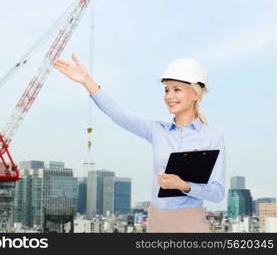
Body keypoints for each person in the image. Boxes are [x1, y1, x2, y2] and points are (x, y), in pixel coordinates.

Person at [53, 54, 226, 233]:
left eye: (177, 89)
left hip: (191, 220)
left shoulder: (212, 136)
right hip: (157, 219)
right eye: (166, 90)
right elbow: (120, 115)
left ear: (195, 94)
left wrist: (184, 186)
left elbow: (218, 193)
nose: (169, 96)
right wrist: (86, 81)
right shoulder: (157, 131)